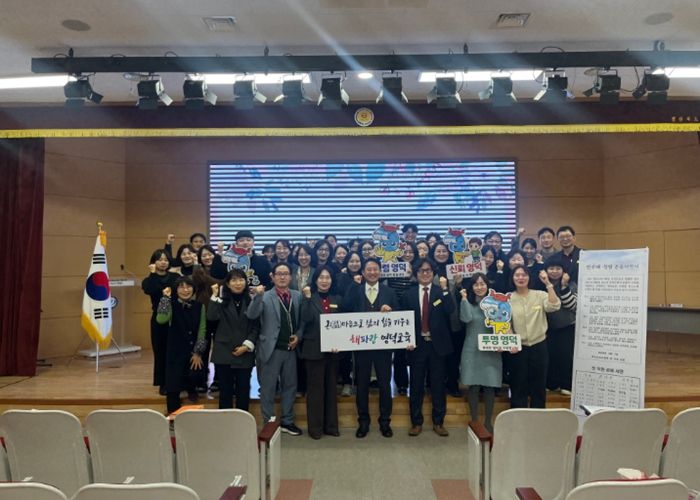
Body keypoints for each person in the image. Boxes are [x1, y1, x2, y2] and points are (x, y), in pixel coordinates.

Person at [342, 258, 398, 438]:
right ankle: (363, 422)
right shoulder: (355, 290)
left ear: (380, 272)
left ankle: (385, 422)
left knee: (384, 384)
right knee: (362, 384)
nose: (372, 272)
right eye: (369, 269)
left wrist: (391, 311)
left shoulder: (390, 292)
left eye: (375, 269)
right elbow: (345, 308)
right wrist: (353, 285)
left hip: (383, 347)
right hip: (361, 346)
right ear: (363, 272)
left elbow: (400, 316)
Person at [246, 262, 304, 435]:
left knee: (290, 386)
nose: (282, 277)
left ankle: (287, 421)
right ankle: (269, 423)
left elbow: (302, 321)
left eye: (286, 273)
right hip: (270, 349)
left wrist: (298, 336)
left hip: (291, 349)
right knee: (268, 388)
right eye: (279, 274)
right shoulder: (264, 296)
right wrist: (257, 296)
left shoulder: (297, 296)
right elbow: (252, 315)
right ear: (272, 276)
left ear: (291, 277)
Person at [400, 258, 455, 437]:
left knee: (438, 385)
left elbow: (450, 310)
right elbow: (403, 320)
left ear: (433, 273)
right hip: (417, 345)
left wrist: (446, 289)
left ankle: (439, 422)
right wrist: (406, 340)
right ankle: (416, 423)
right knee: (416, 385)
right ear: (416, 274)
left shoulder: (441, 292)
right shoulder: (408, 294)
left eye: (428, 271)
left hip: (437, 346)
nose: (425, 274)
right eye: (421, 271)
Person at [508, 265, 561, 408]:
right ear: (512, 278)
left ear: (529, 277)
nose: (521, 278)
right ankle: (518, 416)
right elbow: (505, 323)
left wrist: (548, 283)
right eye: (517, 275)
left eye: (524, 275)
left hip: (539, 345)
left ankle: (538, 417)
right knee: (518, 384)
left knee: (539, 385)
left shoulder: (540, 295)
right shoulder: (508, 298)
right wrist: (511, 341)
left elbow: (554, 306)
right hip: (518, 348)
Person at [207, 269, 259, 410]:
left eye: (241, 280)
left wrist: (247, 346)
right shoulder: (220, 300)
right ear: (228, 284)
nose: (238, 283)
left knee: (243, 390)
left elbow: (256, 326)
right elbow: (211, 317)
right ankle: (225, 422)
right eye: (234, 280)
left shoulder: (251, 301)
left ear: (246, 282)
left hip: (245, 352)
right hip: (224, 352)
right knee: (225, 391)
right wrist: (214, 296)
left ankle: (243, 421)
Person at [299, 266, 342, 439]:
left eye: (328, 277)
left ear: (332, 280)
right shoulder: (308, 297)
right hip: (313, 350)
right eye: (321, 277)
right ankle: (315, 428)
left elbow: (343, 324)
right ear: (315, 280)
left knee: (331, 389)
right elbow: (306, 318)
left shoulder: (337, 299)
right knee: (315, 391)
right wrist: (308, 298)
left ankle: (331, 426)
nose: (324, 281)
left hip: (333, 351)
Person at [156, 276, 207, 414]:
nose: (185, 290)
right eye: (181, 287)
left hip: (192, 351)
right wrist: (165, 299)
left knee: (194, 376)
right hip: (175, 352)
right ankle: (173, 418)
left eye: (188, 286)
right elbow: (161, 319)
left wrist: (198, 353)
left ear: (193, 289)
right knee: (173, 387)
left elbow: (202, 330)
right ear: (176, 290)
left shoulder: (200, 306)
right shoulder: (171, 304)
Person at [459, 273, 502, 433]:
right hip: (472, 348)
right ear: (472, 287)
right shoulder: (468, 302)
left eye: (482, 284)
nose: (479, 287)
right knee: (474, 385)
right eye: (476, 284)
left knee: (490, 385)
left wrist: (502, 341)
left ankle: (488, 422)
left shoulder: (496, 303)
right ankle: (475, 421)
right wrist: (464, 299)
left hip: (491, 348)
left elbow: (502, 324)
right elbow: (466, 318)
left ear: (487, 285)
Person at [141, 249, 180, 395]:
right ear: (153, 262)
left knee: (175, 351)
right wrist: (153, 274)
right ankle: (163, 383)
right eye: (160, 259)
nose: (163, 262)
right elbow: (152, 290)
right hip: (159, 318)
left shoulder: (175, 277)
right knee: (160, 351)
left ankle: (177, 381)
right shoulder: (148, 280)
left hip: (176, 317)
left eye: (166, 260)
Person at [543, 256, 578, 396]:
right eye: (551, 268)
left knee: (565, 356)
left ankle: (566, 384)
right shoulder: (541, 285)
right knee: (549, 356)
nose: (554, 271)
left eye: (558, 268)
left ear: (564, 270)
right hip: (548, 327)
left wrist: (564, 286)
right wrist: (547, 284)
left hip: (566, 326)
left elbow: (573, 306)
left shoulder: (571, 285)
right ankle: (551, 384)